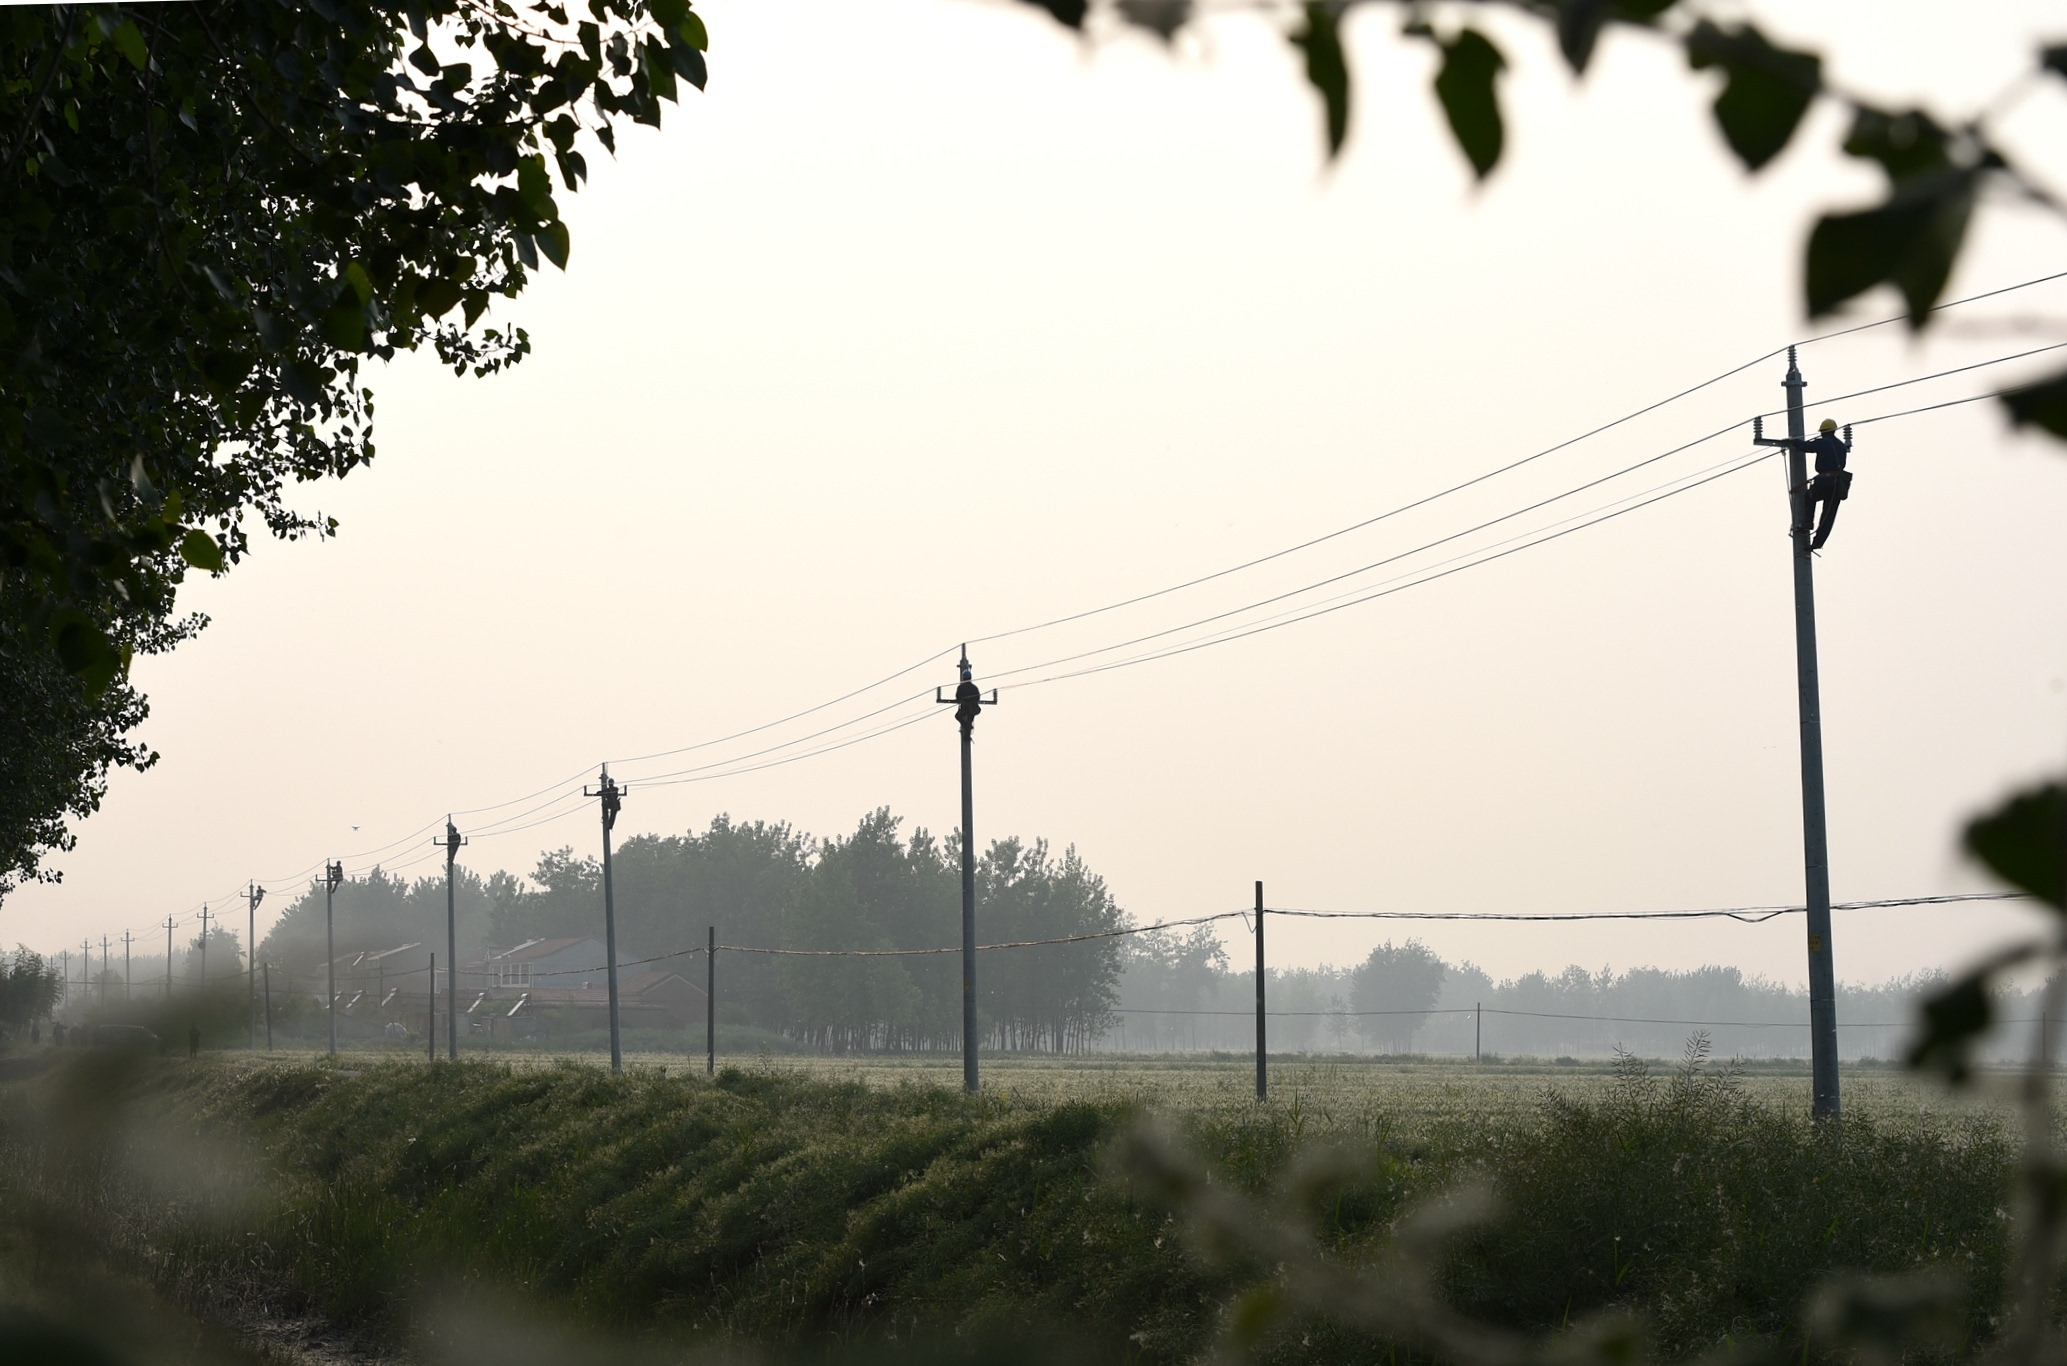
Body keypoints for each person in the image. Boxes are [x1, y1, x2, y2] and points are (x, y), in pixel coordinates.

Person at [1801, 417, 1853, 550]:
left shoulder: (1823, 442)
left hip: (1824, 482)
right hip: (1837, 485)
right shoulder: (1841, 446)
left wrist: (1793, 442)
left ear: (1823, 432)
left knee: (1809, 497)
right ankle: (1817, 543)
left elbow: (1805, 447)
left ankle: (1807, 523)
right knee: (1828, 516)